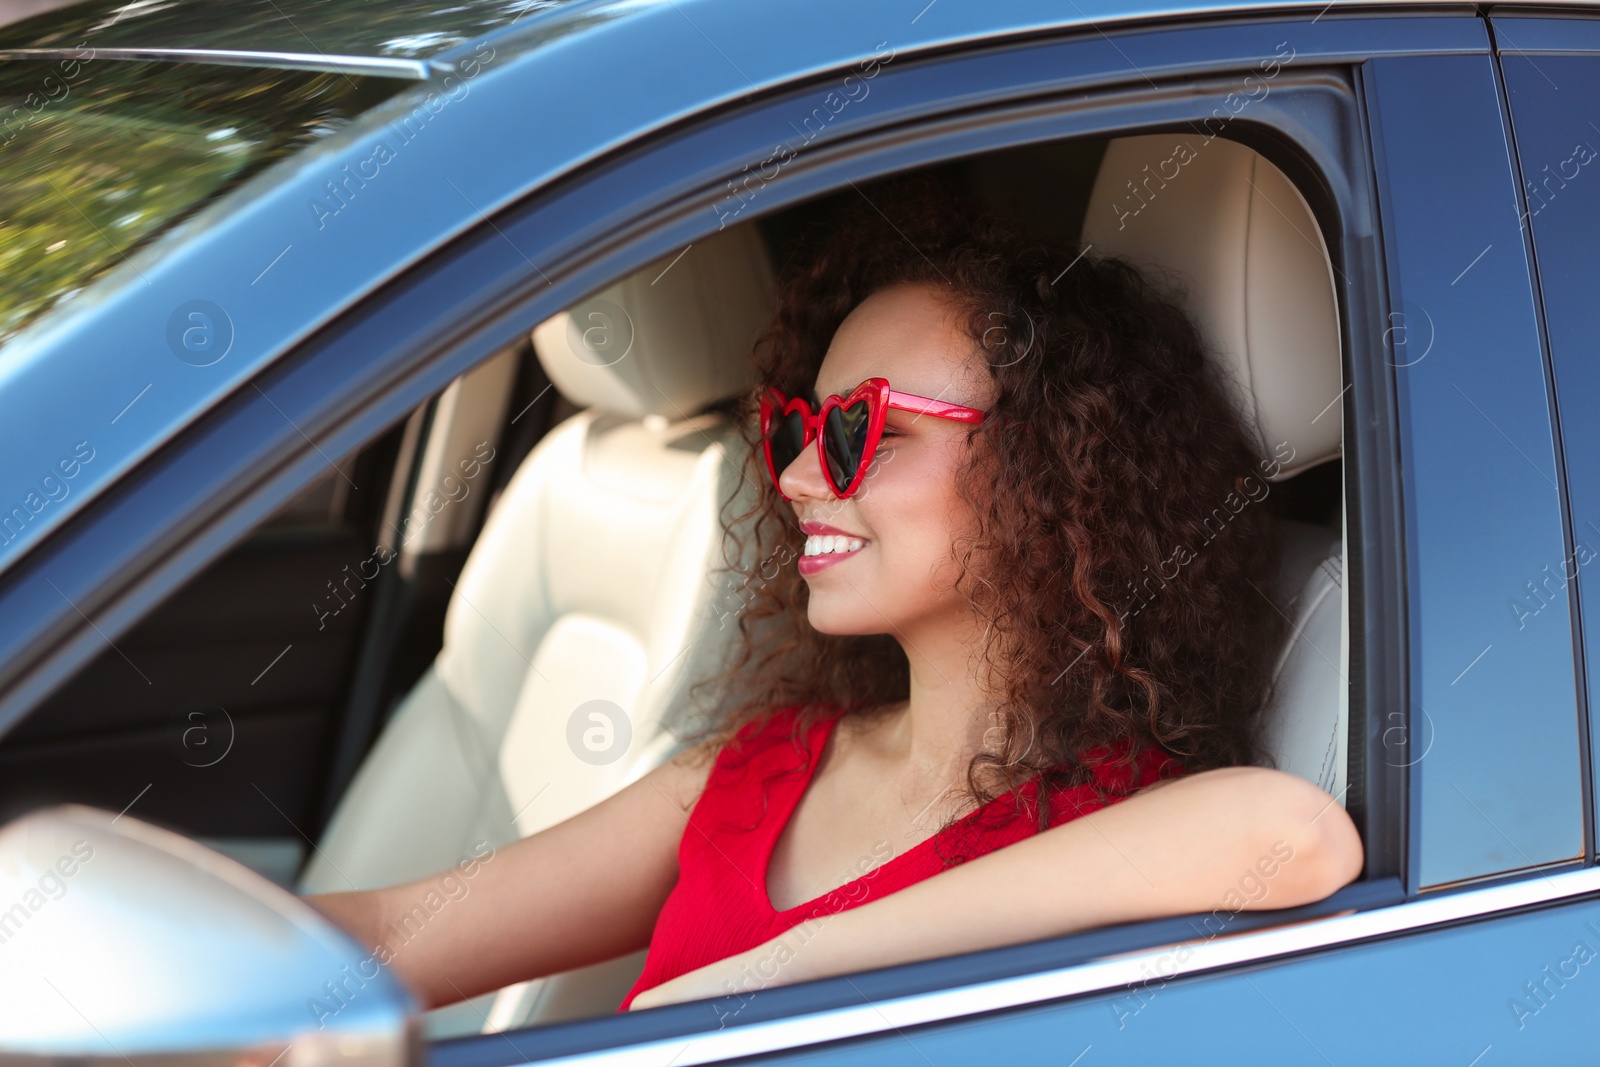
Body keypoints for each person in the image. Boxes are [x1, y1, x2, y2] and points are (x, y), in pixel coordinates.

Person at [306, 175, 1364, 1017]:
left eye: (863, 430)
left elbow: (1293, 831)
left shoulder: (1116, 820)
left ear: (1048, 472)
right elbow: (402, 929)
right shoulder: (755, 769)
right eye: (796, 430)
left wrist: (764, 981)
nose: (802, 475)